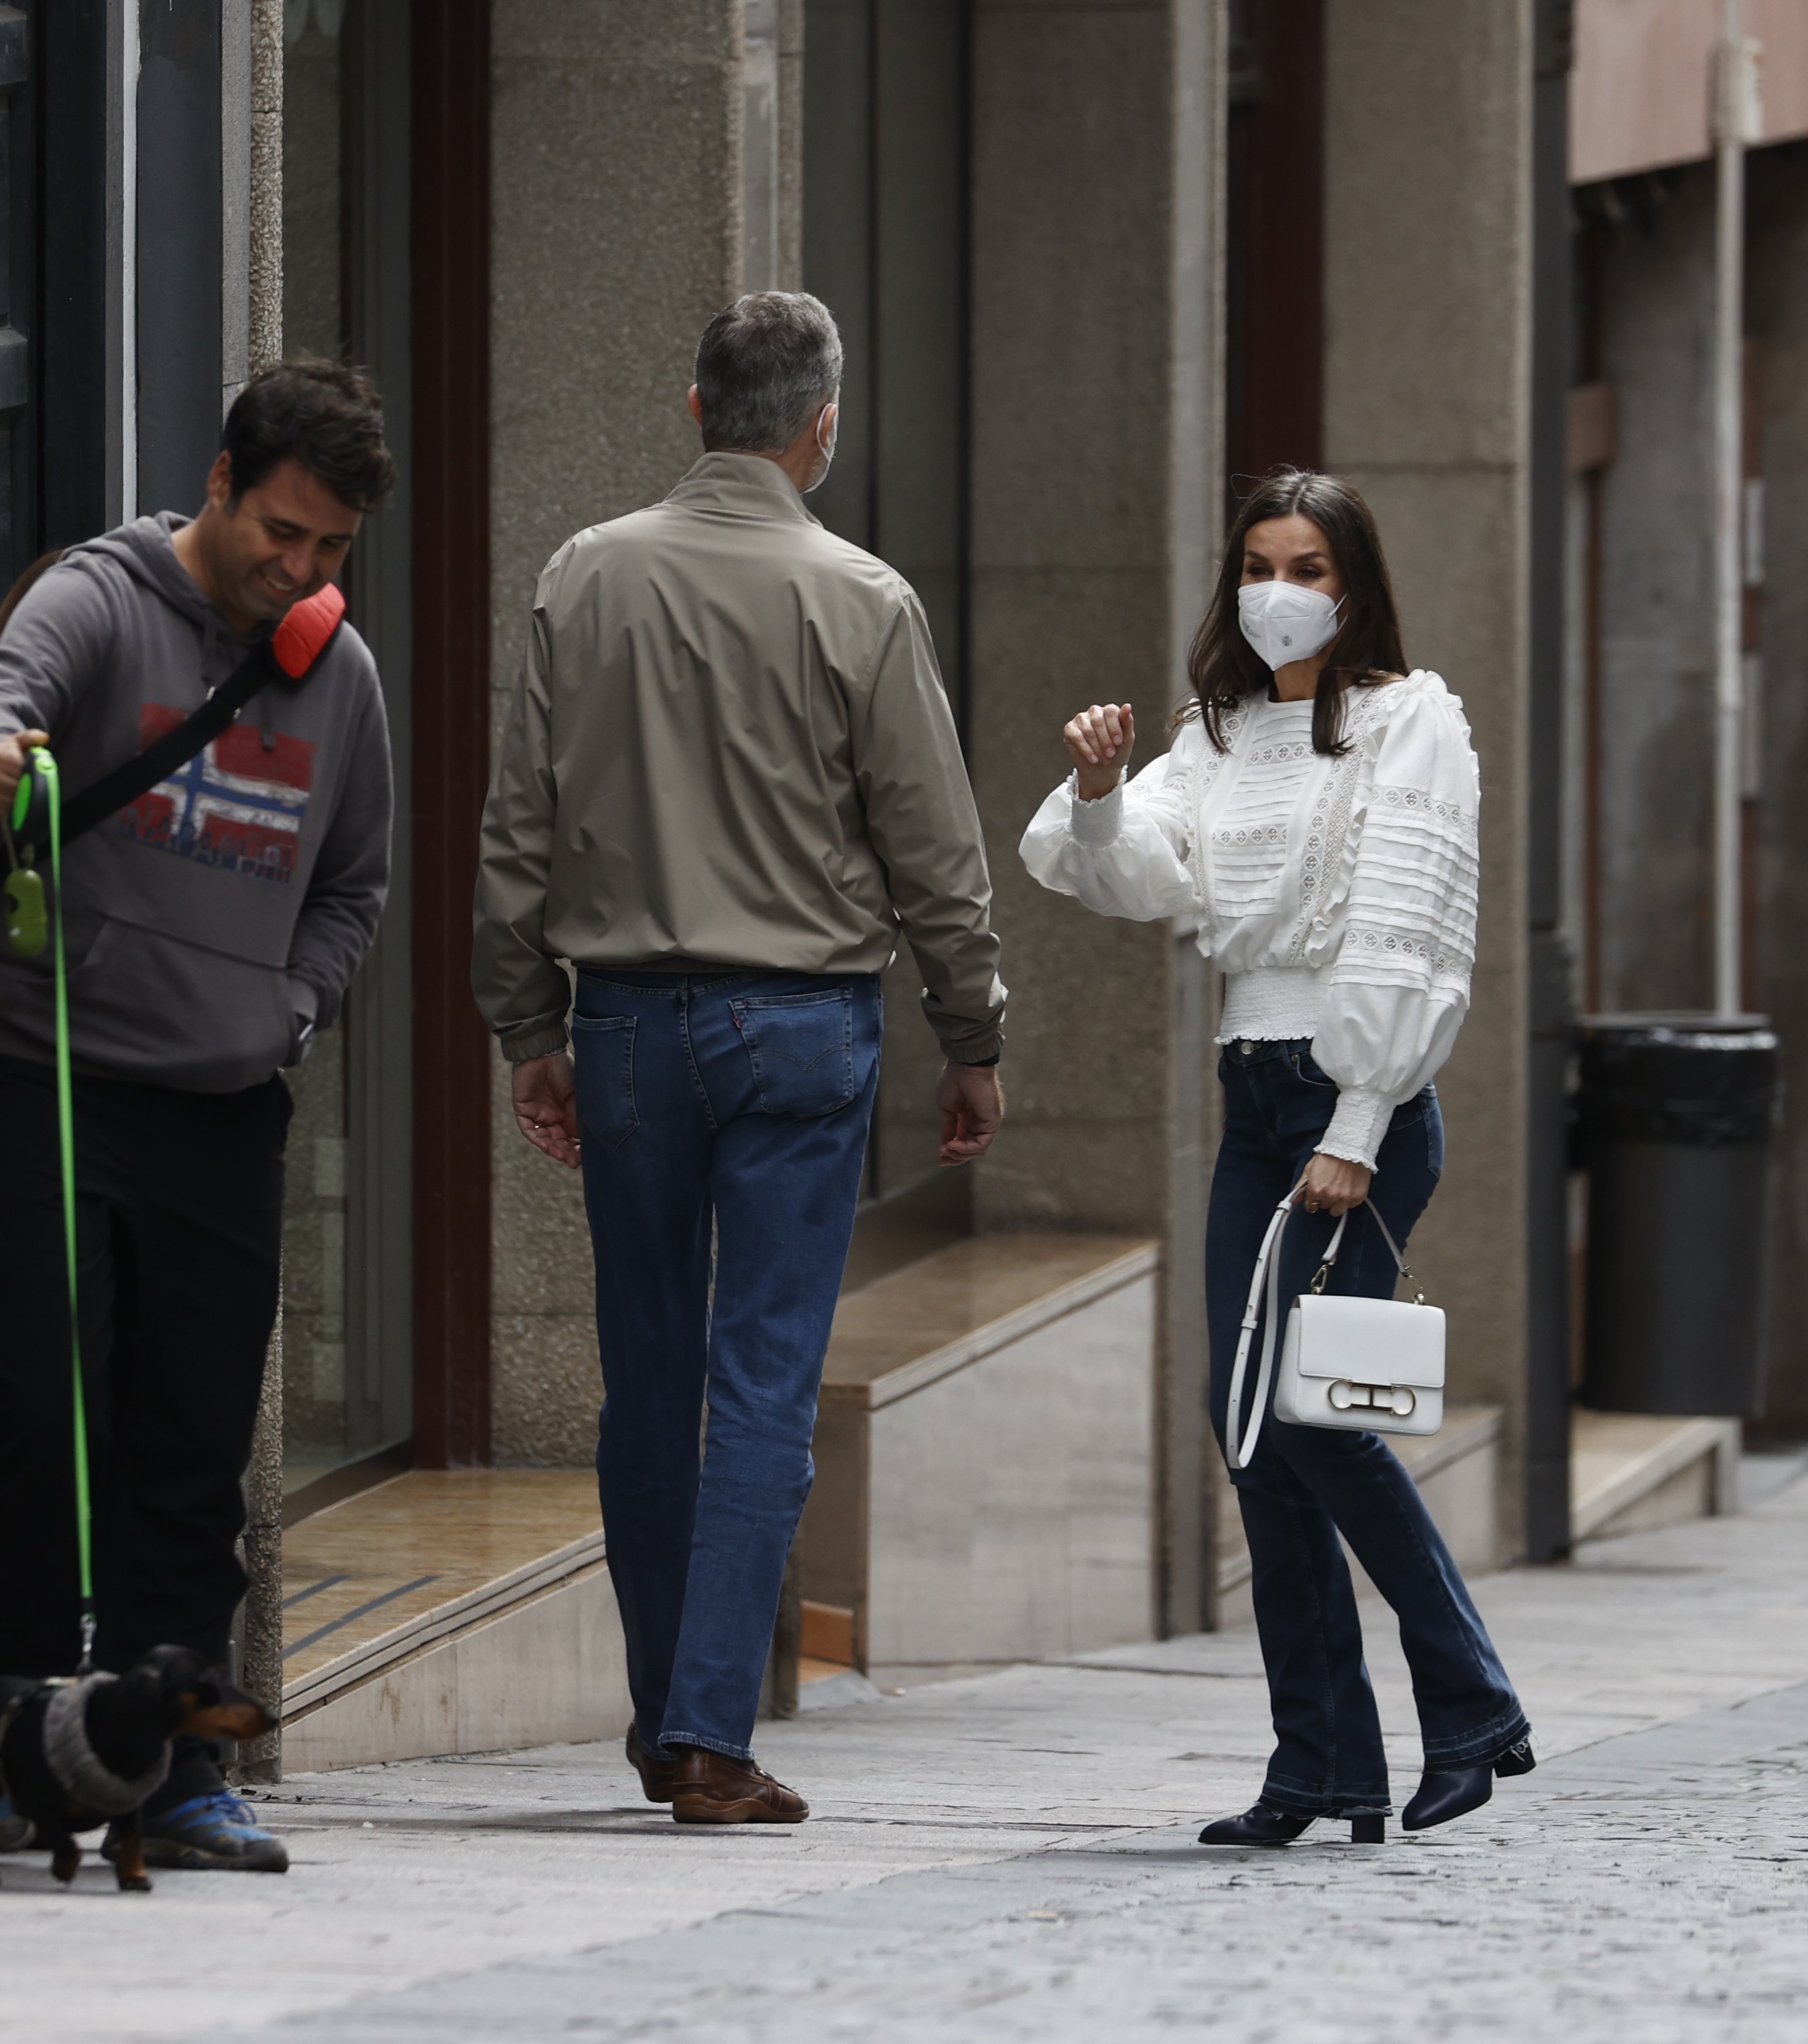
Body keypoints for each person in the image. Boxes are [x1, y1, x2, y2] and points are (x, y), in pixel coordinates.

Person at [474, 292, 1008, 1825]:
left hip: (626, 1020)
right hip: (799, 1025)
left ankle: (666, 1719)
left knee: (646, 1378)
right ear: (818, 427)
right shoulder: (863, 600)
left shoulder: (585, 576)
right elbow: (935, 851)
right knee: (762, 1376)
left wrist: (528, 1024)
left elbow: (519, 826)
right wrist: (971, 1036)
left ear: (694, 407)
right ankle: (707, 1727)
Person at [0, 359, 397, 1873]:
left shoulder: (340, 678)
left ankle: (176, 1768)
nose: (300, 571)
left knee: (191, 1448)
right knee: (21, 1421)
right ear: (219, 481)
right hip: (40, 1082)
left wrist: (293, 1009)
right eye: (281, 533)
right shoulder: (101, 596)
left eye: (329, 550)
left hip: (217, 1107)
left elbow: (356, 884)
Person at [1022, 467, 1533, 1845]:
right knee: (1253, 1429)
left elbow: (1414, 931)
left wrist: (1357, 1128)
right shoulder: (1218, 729)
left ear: (1354, 584)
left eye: (1308, 567)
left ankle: (1473, 1699)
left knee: (1309, 1411)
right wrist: (1095, 788)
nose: (1279, 591)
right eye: (1259, 562)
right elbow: (1145, 879)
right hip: (1253, 1092)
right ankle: (1323, 1764)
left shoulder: (1408, 722)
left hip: (1349, 1102)